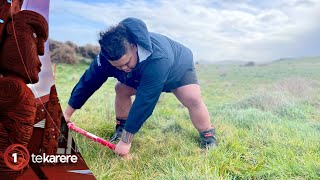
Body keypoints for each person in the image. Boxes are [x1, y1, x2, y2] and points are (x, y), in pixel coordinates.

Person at [64, 17, 217, 157]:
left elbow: (145, 101)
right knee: (121, 89)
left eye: (126, 62)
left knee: (191, 97)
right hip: (142, 72)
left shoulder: (159, 59)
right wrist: (66, 115)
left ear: (134, 46)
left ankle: (208, 136)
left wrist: (125, 143)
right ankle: (121, 128)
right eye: (117, 66)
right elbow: (87, 83)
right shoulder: (105, 58)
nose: (123, 68)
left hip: (178, 67)